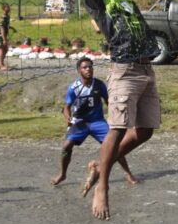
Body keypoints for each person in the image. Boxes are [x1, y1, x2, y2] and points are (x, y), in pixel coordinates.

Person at [68, 0, 162, 221]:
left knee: (146, 130)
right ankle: (103, 186)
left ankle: (99, 165)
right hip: (124, 69)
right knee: (118, 129)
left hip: (146, 68)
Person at [51, 57, 138, 189]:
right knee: (66, 146)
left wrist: (115, 115)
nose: (88, 69)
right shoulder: (74, 87)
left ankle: (128, 173)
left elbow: (109, 101)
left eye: (90, 67)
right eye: (85, 67)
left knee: (114, 145)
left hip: (98, 122)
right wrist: (68, 118)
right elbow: (66, 107)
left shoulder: (99, 84)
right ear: (79, 70)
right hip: (80, 122)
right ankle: (62, 174)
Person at [0, 3, 11, 70]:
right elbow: (2, 28)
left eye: (9, 7)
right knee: (3, 49)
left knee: (4, 49)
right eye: (7, 7)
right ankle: (1, 65)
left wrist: (12, 28)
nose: (9, 8)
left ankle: (0, 64)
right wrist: (4, 39)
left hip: (3, 35)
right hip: (0, 36)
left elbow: (6, 25)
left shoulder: (7, 16)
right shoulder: (3, 17)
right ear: (3, 9)